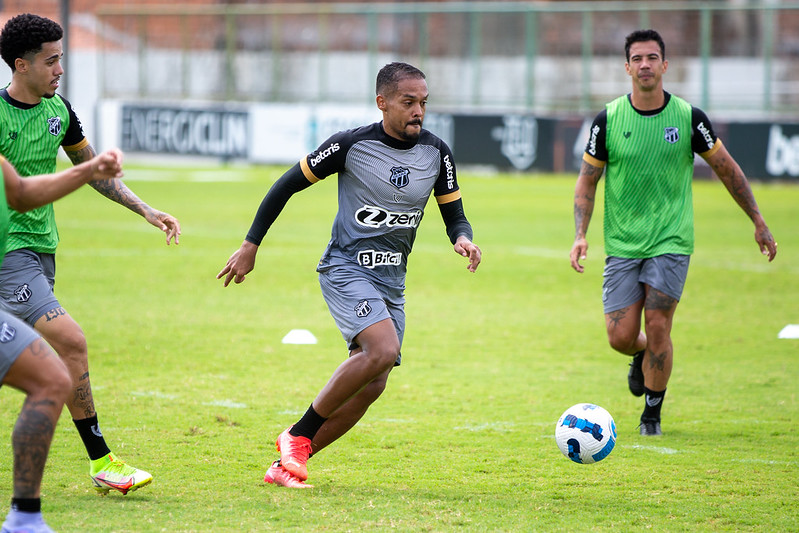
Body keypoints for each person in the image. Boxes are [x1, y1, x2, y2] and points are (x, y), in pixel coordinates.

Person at [218, 62, 481, 488]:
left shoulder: (437, 153)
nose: (419, 111)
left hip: (392, 280)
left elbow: (455, 213)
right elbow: (285, 184)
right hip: (346, 267)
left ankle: (285, 465)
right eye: (408, 102)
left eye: (424, 103)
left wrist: (462, 238)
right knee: (380, 349)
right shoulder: (350, 145)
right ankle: (297, 435)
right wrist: (251, 245)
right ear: (382, 102)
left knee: (374, 382)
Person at [0, 13, 181, 493]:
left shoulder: (59, 110)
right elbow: (18, 192)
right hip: (7, 254)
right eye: (51, 60)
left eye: (62, 59)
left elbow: (93, 170)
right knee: (71, 342)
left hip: (41, 252)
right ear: (21, 64)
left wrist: (145, 209)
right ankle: (102, 460)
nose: (60, 69)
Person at [569, 29, 777, 436]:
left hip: (672, 239)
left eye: (652, 57)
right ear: (627, 67)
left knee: (660, 323)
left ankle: (651, 414)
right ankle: (640, 354)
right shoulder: (608, 120)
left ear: (665, 65)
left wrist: (758, 220)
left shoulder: (688, 118)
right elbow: (586, 181)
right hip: (623, 241)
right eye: (637, 58)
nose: (645, 65)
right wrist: (580, 234)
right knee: (620, 336)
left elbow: (727, 170)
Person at [0, 149, 125, 533]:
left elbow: (20, 193)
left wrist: (88, 169)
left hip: (37, 255)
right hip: (16, 263)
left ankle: (24, 519)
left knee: (52, 379)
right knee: (63, 354)